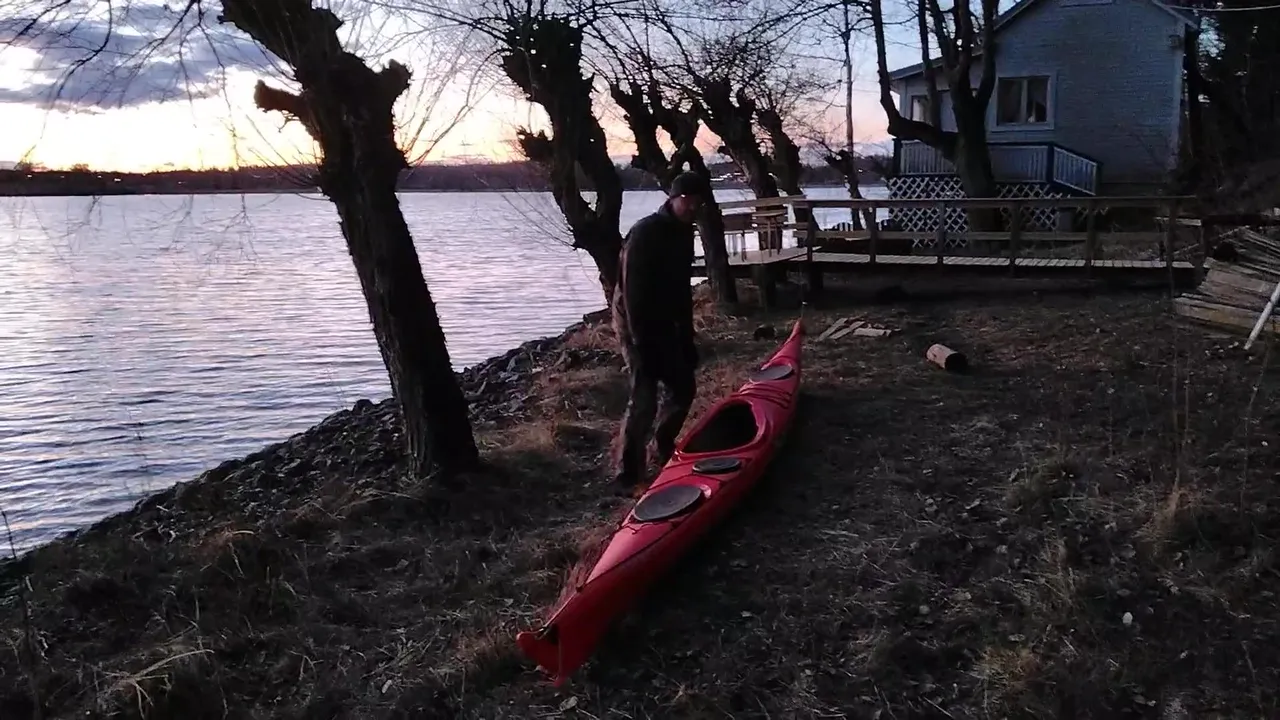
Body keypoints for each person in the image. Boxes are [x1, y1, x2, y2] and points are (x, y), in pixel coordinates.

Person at [610, 171, 707, 489]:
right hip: (633, 320)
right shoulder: (645, 234)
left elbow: (681, 290)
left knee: (683, 386)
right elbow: (633, 294)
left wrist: (686, 337)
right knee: (644, 394)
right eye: (688, 201)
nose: (693, 208)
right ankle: (627, 471)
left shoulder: (684, 233)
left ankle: (661, 445)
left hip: (664, 318)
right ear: (674, 199)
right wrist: (642, 345)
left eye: (698, 203)